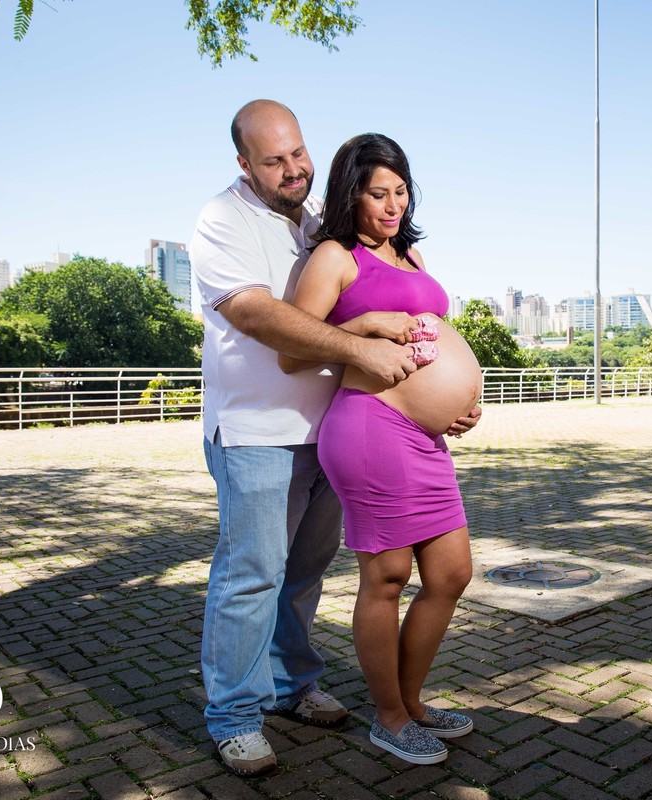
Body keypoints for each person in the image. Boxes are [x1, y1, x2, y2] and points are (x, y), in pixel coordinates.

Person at [190, 100, 478, 777]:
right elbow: (261, 317)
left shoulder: (321, 218)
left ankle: (293, 687)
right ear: (244, 163)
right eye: (274, 160)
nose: (293, 169)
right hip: (259, 428)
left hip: (327, 425)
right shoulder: (224, 220)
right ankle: (235, 717)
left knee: (304, 575)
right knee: (253, 576)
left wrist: (445, 397)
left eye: (298, 153)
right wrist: (365, 335)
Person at [280, 133, 483, 765]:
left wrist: (455, 401)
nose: (392, 206)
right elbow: (292, 352)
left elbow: (433, 339)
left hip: (424, 436)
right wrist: (364, 325)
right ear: (351, 194)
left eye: (400, 192)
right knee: (388, 576)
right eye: (377, 194)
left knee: (450, 573)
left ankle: (412, 702)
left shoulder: (411, 254)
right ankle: (390, 719)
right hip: (370, 428)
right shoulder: (334, 257)